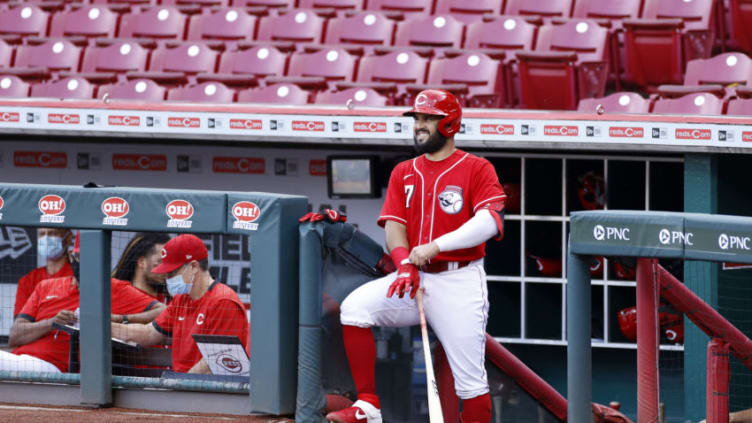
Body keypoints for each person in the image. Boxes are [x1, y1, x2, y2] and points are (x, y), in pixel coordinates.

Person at [326, 90, 506, 423]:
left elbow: (488, 223)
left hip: (459, 280)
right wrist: (405, 263)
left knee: (471, 384)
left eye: (427, 118)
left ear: (449, 124)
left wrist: (436, 246)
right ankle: (368, 406)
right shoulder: (403, 171)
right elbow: (395, 227)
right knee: (355, 309)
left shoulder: (477, 168)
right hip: (416, 277)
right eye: (417, 119)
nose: (419, 125)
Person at [1, 232, 165, 373]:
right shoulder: (46, 286)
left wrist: (122, 318)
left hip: (56, 366)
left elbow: (162, 310)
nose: (87, 263)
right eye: (81, 257)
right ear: (73, 256)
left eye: (92, 257)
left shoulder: (114, 288)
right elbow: (15, 336)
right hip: (22, 360)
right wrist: (52, 322)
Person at [111, 234, 250, 374]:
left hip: (213, 390)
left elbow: (216, 362)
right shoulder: (181, 299)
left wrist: (177, 385)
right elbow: (149, 332)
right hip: (184, 387)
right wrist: (106, 328)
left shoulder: (223, 301)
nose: (167, 279)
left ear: (194, 267)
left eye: (171, 273)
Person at [13, 228, 74, 318]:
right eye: (42, 234)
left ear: (68, 238)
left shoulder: (77, 276)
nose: (46, 238)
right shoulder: (28, 280)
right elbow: (20, 325)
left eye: (53, 233)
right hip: (39, 332)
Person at [111, 232, 172, 305]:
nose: (167, 269)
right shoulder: (118, 297)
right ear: (141, 262)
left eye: (169, 262)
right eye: (160, 262)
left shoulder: (171, 298)